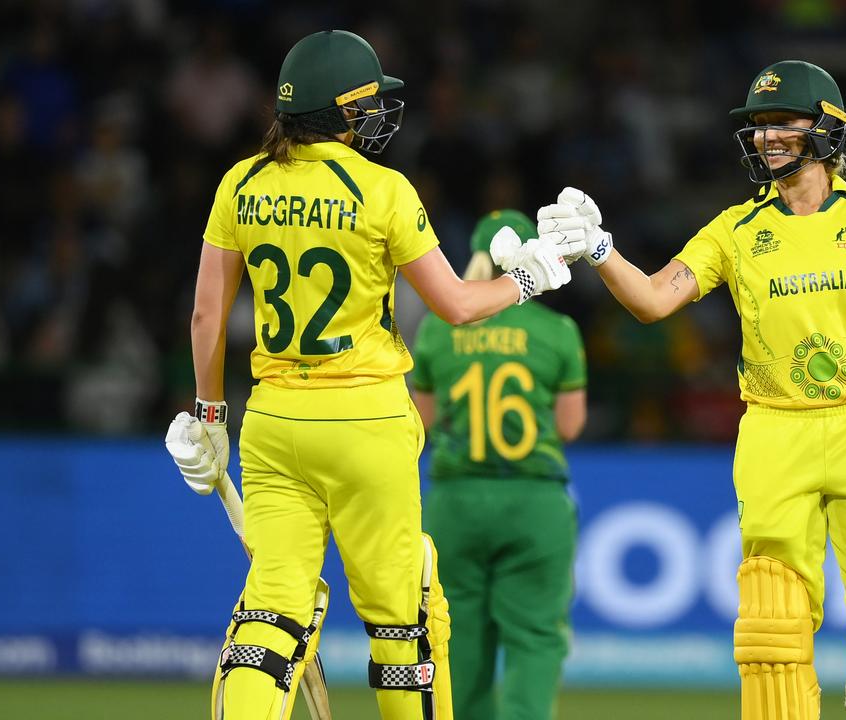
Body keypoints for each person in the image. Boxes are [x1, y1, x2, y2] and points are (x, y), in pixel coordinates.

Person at [531, 61, 846, 720]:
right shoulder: (737, 230)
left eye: (782, 123)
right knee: (772, 634)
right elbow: (656, 300)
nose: (767, 137)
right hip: (776, 431)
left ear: (827, 128)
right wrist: (602, 250)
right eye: (758, 127)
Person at [165, 30, 571, 720]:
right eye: (367, 102)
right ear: (341, 109)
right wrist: (530, 275)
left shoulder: (243, 181)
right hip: (368, 423)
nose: (378, 114)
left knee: (271, 612)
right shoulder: (382, 188)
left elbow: (207, 314)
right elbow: (456, 305)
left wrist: (209, 417)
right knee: (400, 620)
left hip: (273, 421)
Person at [411, 209, 588, 720]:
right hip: (534, 501)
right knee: (534, 638)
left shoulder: (438, 332)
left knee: (458, 639)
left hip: (455, 500)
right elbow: (570, 427)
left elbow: (420, 424)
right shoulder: (558, 330)